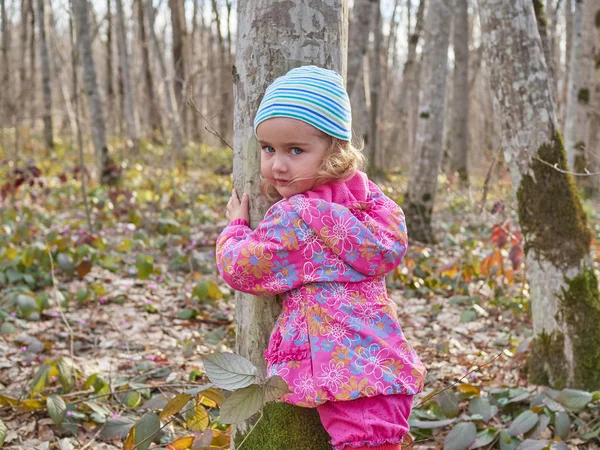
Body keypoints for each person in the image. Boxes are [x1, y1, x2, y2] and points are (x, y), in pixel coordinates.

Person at [216, 66, 426, 450]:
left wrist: (235, 229)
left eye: (295, 150)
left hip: (342, 373)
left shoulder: (296, 217)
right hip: (383, 362)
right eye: (268, 149)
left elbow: (244, 268)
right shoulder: (371, 204)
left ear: (334, 152)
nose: (278, 164)